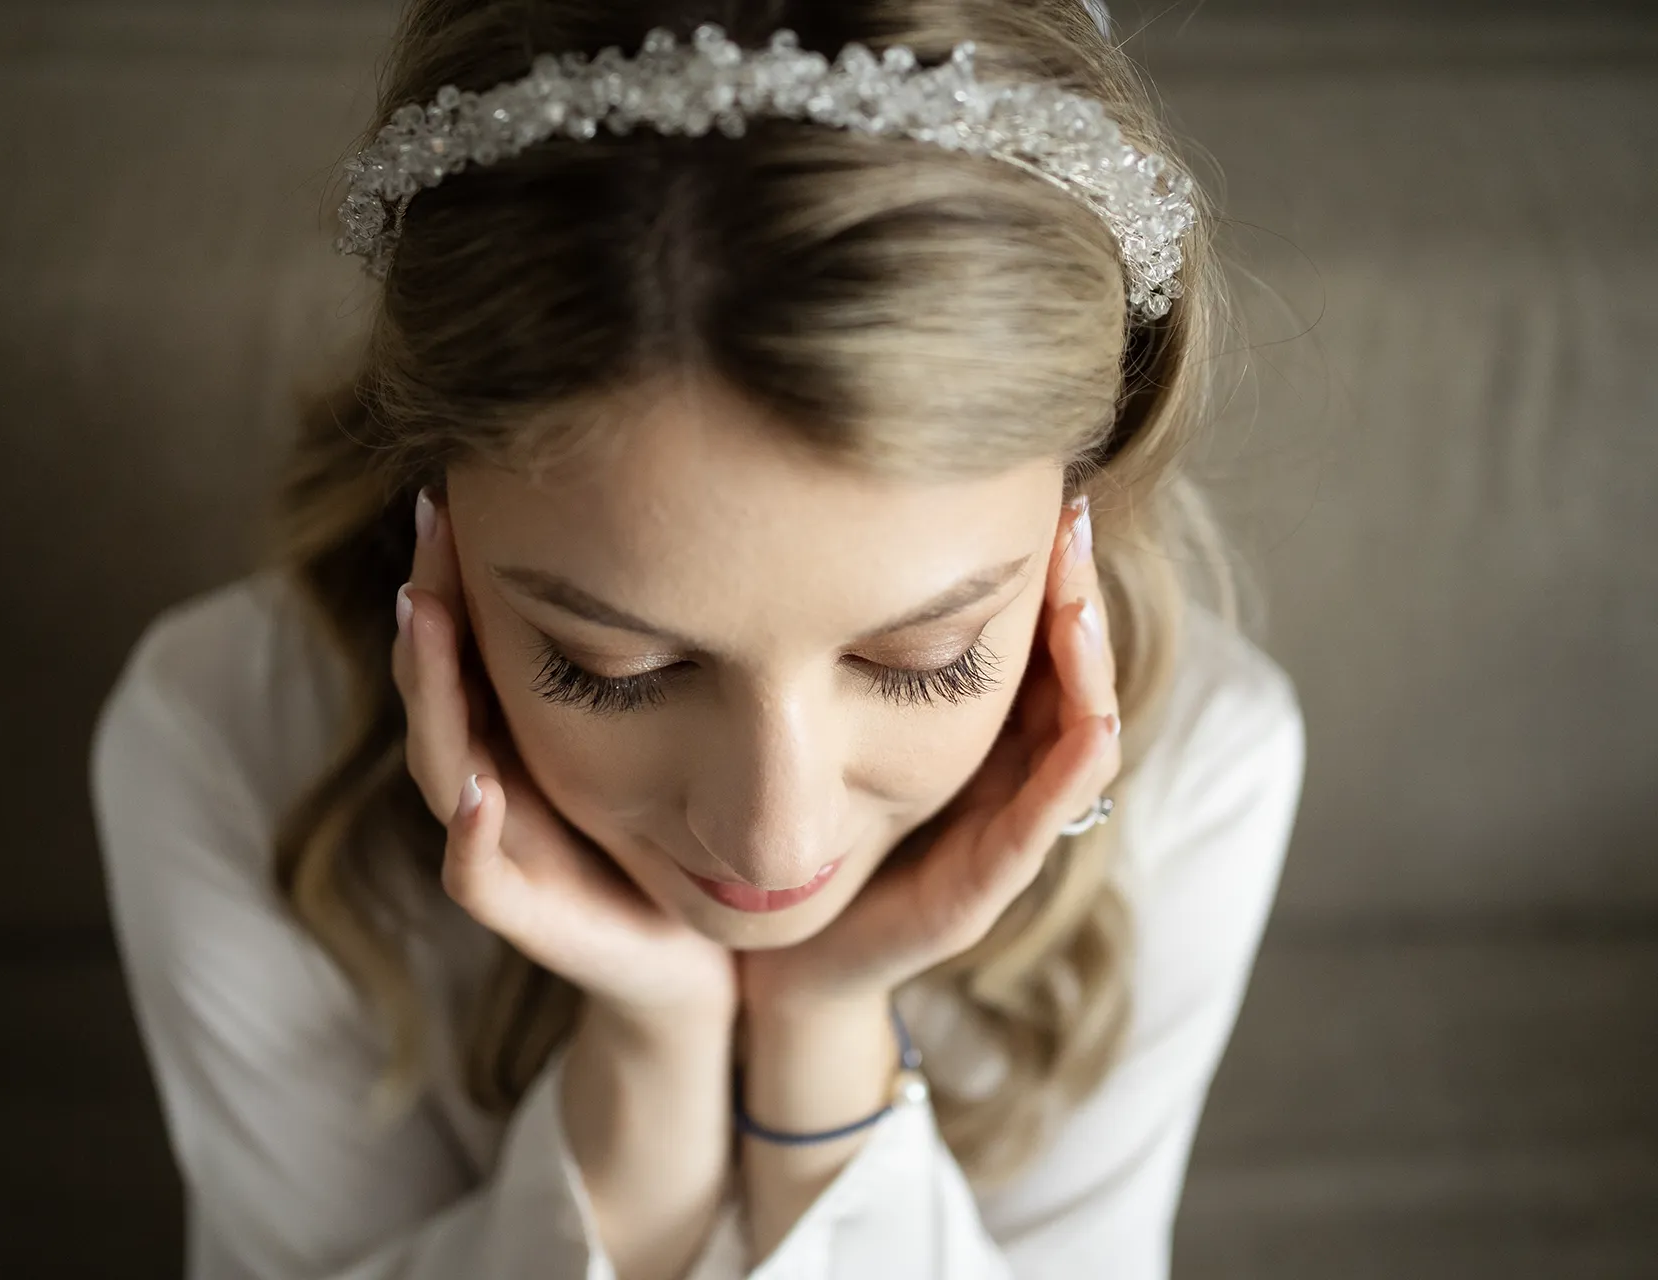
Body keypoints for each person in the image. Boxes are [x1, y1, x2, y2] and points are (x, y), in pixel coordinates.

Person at [87, 3, 1306, 1278]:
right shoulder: (229, 744)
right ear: (434, 498)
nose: (774, 842)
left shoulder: (1199, 773)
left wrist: (827, 1038)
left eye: (928, 657)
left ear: (1080, 503)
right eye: (607, 664)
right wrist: (647, 1064)